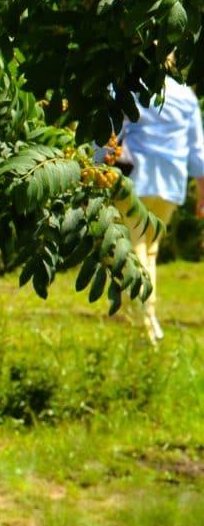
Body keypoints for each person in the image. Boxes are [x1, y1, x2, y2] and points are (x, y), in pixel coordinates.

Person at [112, 76, 204, 346]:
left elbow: (110, 133)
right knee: (148, 252)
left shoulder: (125, 86)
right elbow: (198, 149)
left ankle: (145, 327)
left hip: (134, 179)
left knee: (135, 254)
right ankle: (143, 324)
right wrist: (202, 194)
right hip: (170, 182)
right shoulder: (184, 94)